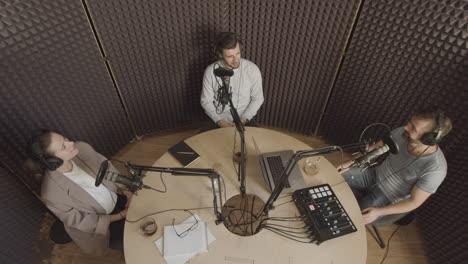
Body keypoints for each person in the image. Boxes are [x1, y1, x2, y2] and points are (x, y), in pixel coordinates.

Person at [27, 129, 133, 256]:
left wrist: (126, 191)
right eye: (63, 147)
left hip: (117, 198)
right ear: (52, 161)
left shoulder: (83, 148)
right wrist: (121, 215)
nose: (71, 143)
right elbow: (82, 221)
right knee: (129, 241)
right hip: (104, 221)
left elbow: (109, 169)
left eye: (65, 139)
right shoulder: (51, 194)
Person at [337, 109, 452, 224]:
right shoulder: (402, 133)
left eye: (413, 128)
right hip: (373, 176)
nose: (406, 127)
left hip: (388, 197)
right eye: (410, 123)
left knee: (351, 218)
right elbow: (374, 149)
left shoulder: (435, 169)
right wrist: (350, 163)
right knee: (334, 174)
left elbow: (414, 202)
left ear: (429, 139)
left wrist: (378, 212)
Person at [200, 32, 264, 130]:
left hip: (244, 119)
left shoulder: (252, 70)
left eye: (238, 53)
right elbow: (206, 101)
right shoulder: (210, 71)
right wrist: (221, 122)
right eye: (230, 56)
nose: (236, 60)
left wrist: (242, 120)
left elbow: (258, 98)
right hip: (219, 119)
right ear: (220, 55)